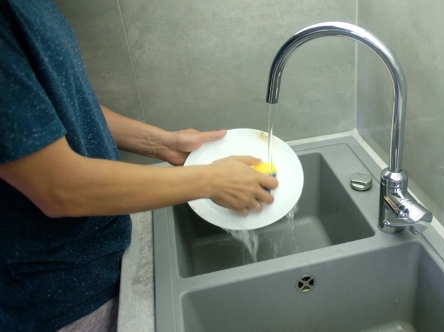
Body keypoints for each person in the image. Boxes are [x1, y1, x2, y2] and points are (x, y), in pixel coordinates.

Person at [0, 1, 278, 331]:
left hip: (103, 257)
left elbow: (62, 108)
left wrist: (163, 144)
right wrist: (212, 181)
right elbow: (59, 188)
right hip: (64, 294)